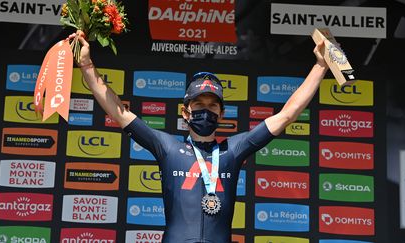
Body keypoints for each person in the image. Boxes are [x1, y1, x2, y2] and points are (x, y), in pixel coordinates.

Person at [69, 32, 328, 243]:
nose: (206, 110)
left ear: (222, 112)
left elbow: (286, 116)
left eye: (212, 105)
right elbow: (119, 112)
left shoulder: (234, 149)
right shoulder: (167, 147)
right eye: (199, 104)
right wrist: (87, 66)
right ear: (185, 111)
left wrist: (320, 66)